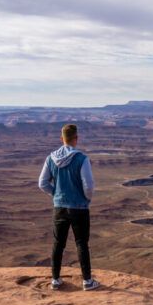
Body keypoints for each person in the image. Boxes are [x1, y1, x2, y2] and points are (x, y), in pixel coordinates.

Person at [38, 124, 99, 291]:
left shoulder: (51, 158)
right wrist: (85, 199)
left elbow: (42, 183)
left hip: (60, 207)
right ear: (76, 139)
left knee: (58, 244)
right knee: (81, 243)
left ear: (62, 139)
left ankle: (55, 280)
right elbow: (89, 186)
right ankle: (87, 281)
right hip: (79, 208)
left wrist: (56, 194)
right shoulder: (82, 159)